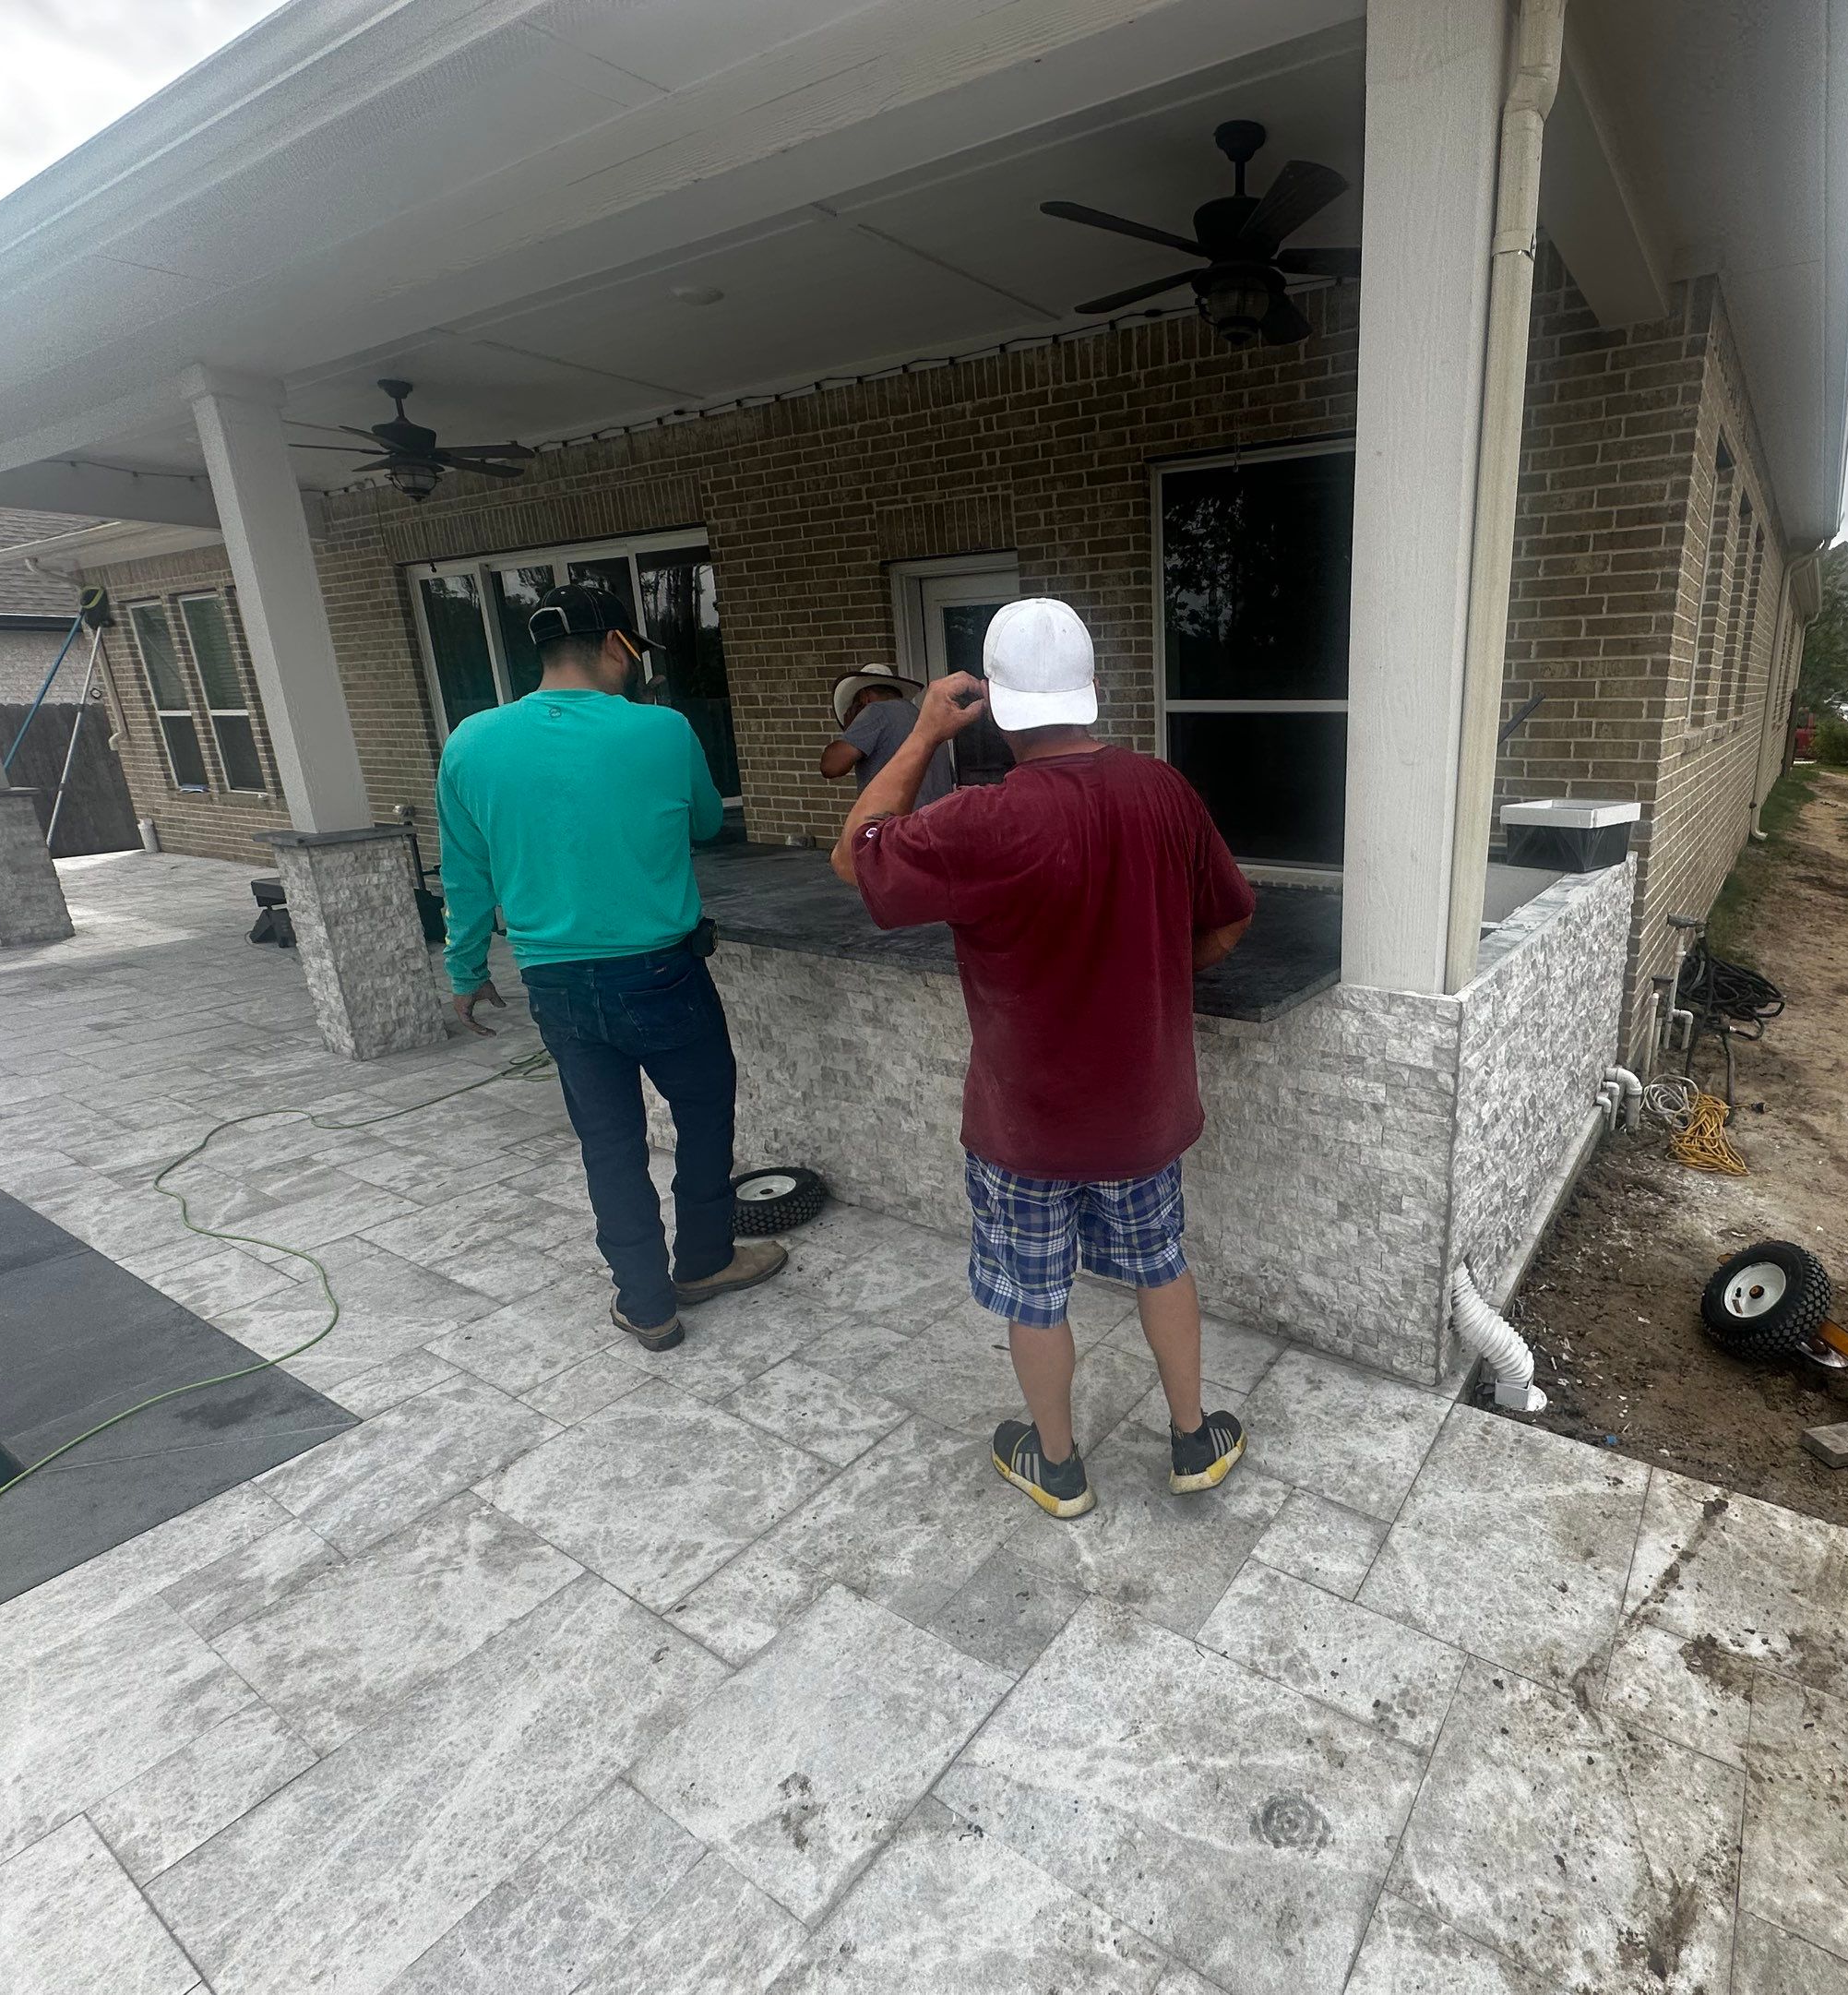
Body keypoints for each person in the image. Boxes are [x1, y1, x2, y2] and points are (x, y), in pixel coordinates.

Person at [832, 597, 1253, 1520]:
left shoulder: (978, 822)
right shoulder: (1163, 790)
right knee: (1160, 1262)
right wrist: (1153, 969)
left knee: (1035, 1294)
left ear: (994, 700)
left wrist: (921, 733)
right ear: (1091, 687)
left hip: (1024, 1125)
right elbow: (1227, 919)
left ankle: (1057, 1466)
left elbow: (854, 857)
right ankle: (1193, 1440)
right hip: (1141, 1114)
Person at [436, 582, 785, 1351]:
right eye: (633, 651)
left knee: (610, 1143)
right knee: (703, 1117)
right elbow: (705, 822)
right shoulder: (662, 729)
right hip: (661, 973)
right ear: (614, 646)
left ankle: (646, 1303)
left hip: (555, 981)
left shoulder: (469, 742)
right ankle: (705, 1260)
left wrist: (464, 970)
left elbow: (465, 874)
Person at [820, 663, 954, 808]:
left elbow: (830, 767)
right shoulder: (927, 720)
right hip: (937, 818)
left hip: (896, 821)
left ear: (864, 698)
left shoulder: (875, 711)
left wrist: (850, 731)